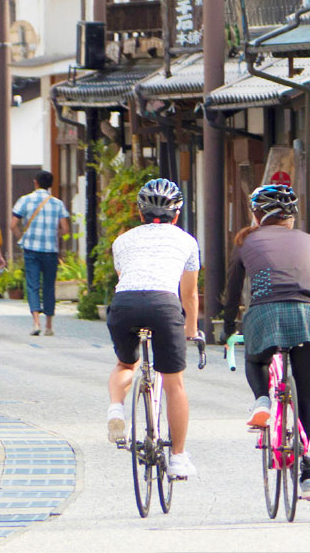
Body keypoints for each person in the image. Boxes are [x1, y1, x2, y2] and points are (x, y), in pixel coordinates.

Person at [221, 184, 310, 501]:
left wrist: (227, 327)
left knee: (256, 359)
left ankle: (262, 401)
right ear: (291, 216)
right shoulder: (309, 241)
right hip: (306, 314)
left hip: (265, 313)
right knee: (307, 399)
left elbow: (232, 290)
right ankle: (309, 477)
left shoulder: (245, 241)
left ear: (256, 216)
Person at [105, 178, 203, 479]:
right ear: (177, 214)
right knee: (174, 383)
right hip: (164, 304)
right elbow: (189, 294)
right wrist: (191, 330)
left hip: (124, 305)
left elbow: (126, 277)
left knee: (126, 362)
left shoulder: (122, 241)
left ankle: (116, 410)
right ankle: (177, 458)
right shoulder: (186, 240)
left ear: (140, 212)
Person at [11, 170, 70, 336]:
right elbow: (65, 230)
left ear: (35, 182)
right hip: (50, 251)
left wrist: (21, 238)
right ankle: (49, 326)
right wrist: (54, 233)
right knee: (49, 286)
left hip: (31, 250)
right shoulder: (57, 203)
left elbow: (12, 224)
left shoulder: (25, 200)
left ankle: (36, 322)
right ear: (50, 185)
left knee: (32, 285)